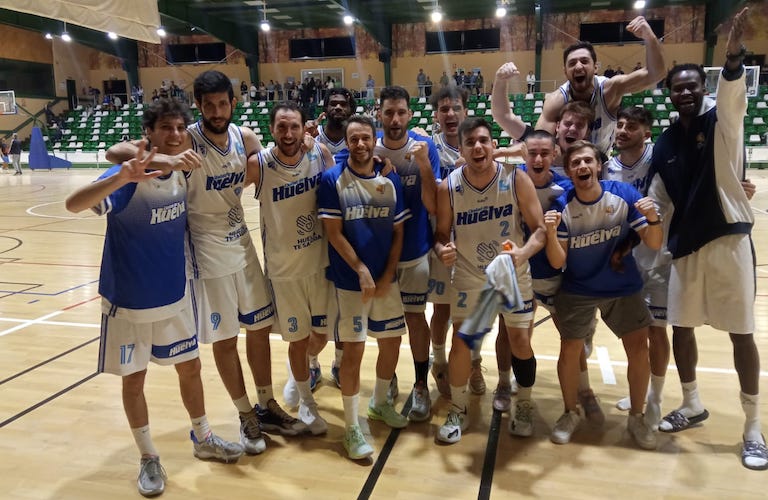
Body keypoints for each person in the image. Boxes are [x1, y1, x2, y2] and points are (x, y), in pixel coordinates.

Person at [106, 70, 307, 458]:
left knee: (260, 328)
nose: (217, 111)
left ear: (233, 102)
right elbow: (115, 152)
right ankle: (244, 412)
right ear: (199, 106)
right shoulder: (186, 138)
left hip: (242, 243)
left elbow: (267, 165)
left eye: (223, 103)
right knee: (226, 338)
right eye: (209, 105)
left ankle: (265, 405)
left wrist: (309, 140)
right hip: (205, 252)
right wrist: (167, 158)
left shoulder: (245, 137)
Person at [65, 99, 243, 497]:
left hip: (174, 294)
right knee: (135, 381)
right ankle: (147, 457)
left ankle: (204, 437)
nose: (176, 134)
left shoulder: (182, 173)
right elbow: (73, 204)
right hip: (128, 300)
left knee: (191, 369)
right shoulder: (130, 179)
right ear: (150, 132)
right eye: (166, 127)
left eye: (181, 127)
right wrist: (119, 178)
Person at [651, 7, 767, 471]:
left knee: (742, 333)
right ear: (670, 94)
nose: (684, 92)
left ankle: (752, 427)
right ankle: (692, 403)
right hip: (685, 249)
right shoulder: (663, 143)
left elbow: (734, 91)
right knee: (682, 327)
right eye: (677, 86)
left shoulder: (723, 122)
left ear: (703, 89)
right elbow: (657, 199)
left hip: (729, 242)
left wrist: (732, 53)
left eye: (692, 85)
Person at [491, 63, 603, 425]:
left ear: (554, 154)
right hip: (518, 275)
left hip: (555, 276)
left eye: (544, 154)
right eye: (530, 153)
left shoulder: (569, 187)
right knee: (509, 335)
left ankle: (584, 390)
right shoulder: (508, 182)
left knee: (571, 339)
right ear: (523, 153)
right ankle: (504, 385)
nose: (538, 158)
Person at [544, 140, 662, 449]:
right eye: (575, 163)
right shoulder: (561, 206)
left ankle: (637, 417)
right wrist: (551, 234)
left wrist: (653, 219)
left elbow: (652, 242)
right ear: (569, 172)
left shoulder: (623, 195)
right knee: (570, 350)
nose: (582, 166)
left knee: (638, 348)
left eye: (587, 161)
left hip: (622, 286)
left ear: (599, 166)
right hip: (579, 287)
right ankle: (571, 412)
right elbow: (558, 261)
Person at [434, 117, 545, 443]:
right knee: (462, 343)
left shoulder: (515, 179)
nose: (478, 147)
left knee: (520, 341)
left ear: (493, 146)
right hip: (469, 274)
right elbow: (440, 234)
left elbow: (539, 228)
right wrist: (443, 250)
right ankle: (458, 408)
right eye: (470, 143)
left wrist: (524, 252)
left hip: (511, 271)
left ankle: (523, 403)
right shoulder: (449, 187)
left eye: (483, 140)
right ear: (463, 149)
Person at [317, 114, 409, 460]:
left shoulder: (390, 183)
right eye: (353, 139)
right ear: (348, 142)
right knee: (353, 352)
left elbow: (398, 232)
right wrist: (360, 269)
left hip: (384, 278)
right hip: (350, 282)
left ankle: (379, 403)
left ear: (374, 140)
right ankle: (352, 427)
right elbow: (334, 232)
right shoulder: (332, 180)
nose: (359, 144)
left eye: (365, 138)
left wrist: (386, 274)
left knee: (391, 342)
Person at [249, 101, 335, 436]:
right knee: (298, 341)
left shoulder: (320, 154)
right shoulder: (260, 165)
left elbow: (336, 188)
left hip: (320, 264)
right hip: (284, 272)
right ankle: (306, 404)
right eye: (281, 127)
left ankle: (300, 370)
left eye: (294, 126)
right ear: (271, 130)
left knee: (322, 335)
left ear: (304, 128)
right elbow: (222, 188)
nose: (288, 133)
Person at [602, 106, 671, 429]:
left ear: (647, 134)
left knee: (657, 330)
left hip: (658, 257)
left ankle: (655, 399)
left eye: (632, 126)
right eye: (621, 125)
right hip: (626, 260)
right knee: (635, 332)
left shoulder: (658, 160)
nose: (622, 130)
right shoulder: (607, 168)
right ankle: (640, 390)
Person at [375, 86, 439, 422]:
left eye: (401, 112)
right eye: (389, 112)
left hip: (414, 250)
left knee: (415, 319)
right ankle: (388, 379)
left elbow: (432, 203)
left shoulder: (424, 147)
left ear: (410, 114)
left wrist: (424, 165)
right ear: (379, 113)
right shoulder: (366, 146)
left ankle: (420, 385)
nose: (395, 119)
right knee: (385, 327)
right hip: (380, 256)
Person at [425, 85, 488, 400]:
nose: (450, 114)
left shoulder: (476, 143)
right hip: (442, 240)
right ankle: (439, 362)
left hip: (476, 240)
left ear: (466, 110)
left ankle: (474, 363)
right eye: (444, 109)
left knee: (472, 309)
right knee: (442, 309)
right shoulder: (428, 146)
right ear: (436, 115)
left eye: (456, 108)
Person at [536, 16, 665, 155]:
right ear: (565, 71)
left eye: (584, 61)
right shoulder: (556, 101)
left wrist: (649, 36)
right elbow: (538, 143)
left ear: (596, 67)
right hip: (566, 164)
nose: (578, 66)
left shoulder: (610, 89)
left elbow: (656, 73)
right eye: (572, 63)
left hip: (601, 162)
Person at [304, 87, 357, 387]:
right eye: (333, 103)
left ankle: (338, 363)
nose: (338, 107)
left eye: (343, 103)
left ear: (351, 108)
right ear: (325, 108)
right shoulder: (311, 139)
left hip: (347, 232)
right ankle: (310, 363)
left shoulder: (359, 139)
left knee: (343, 310)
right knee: (318, 311)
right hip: (314, 234)